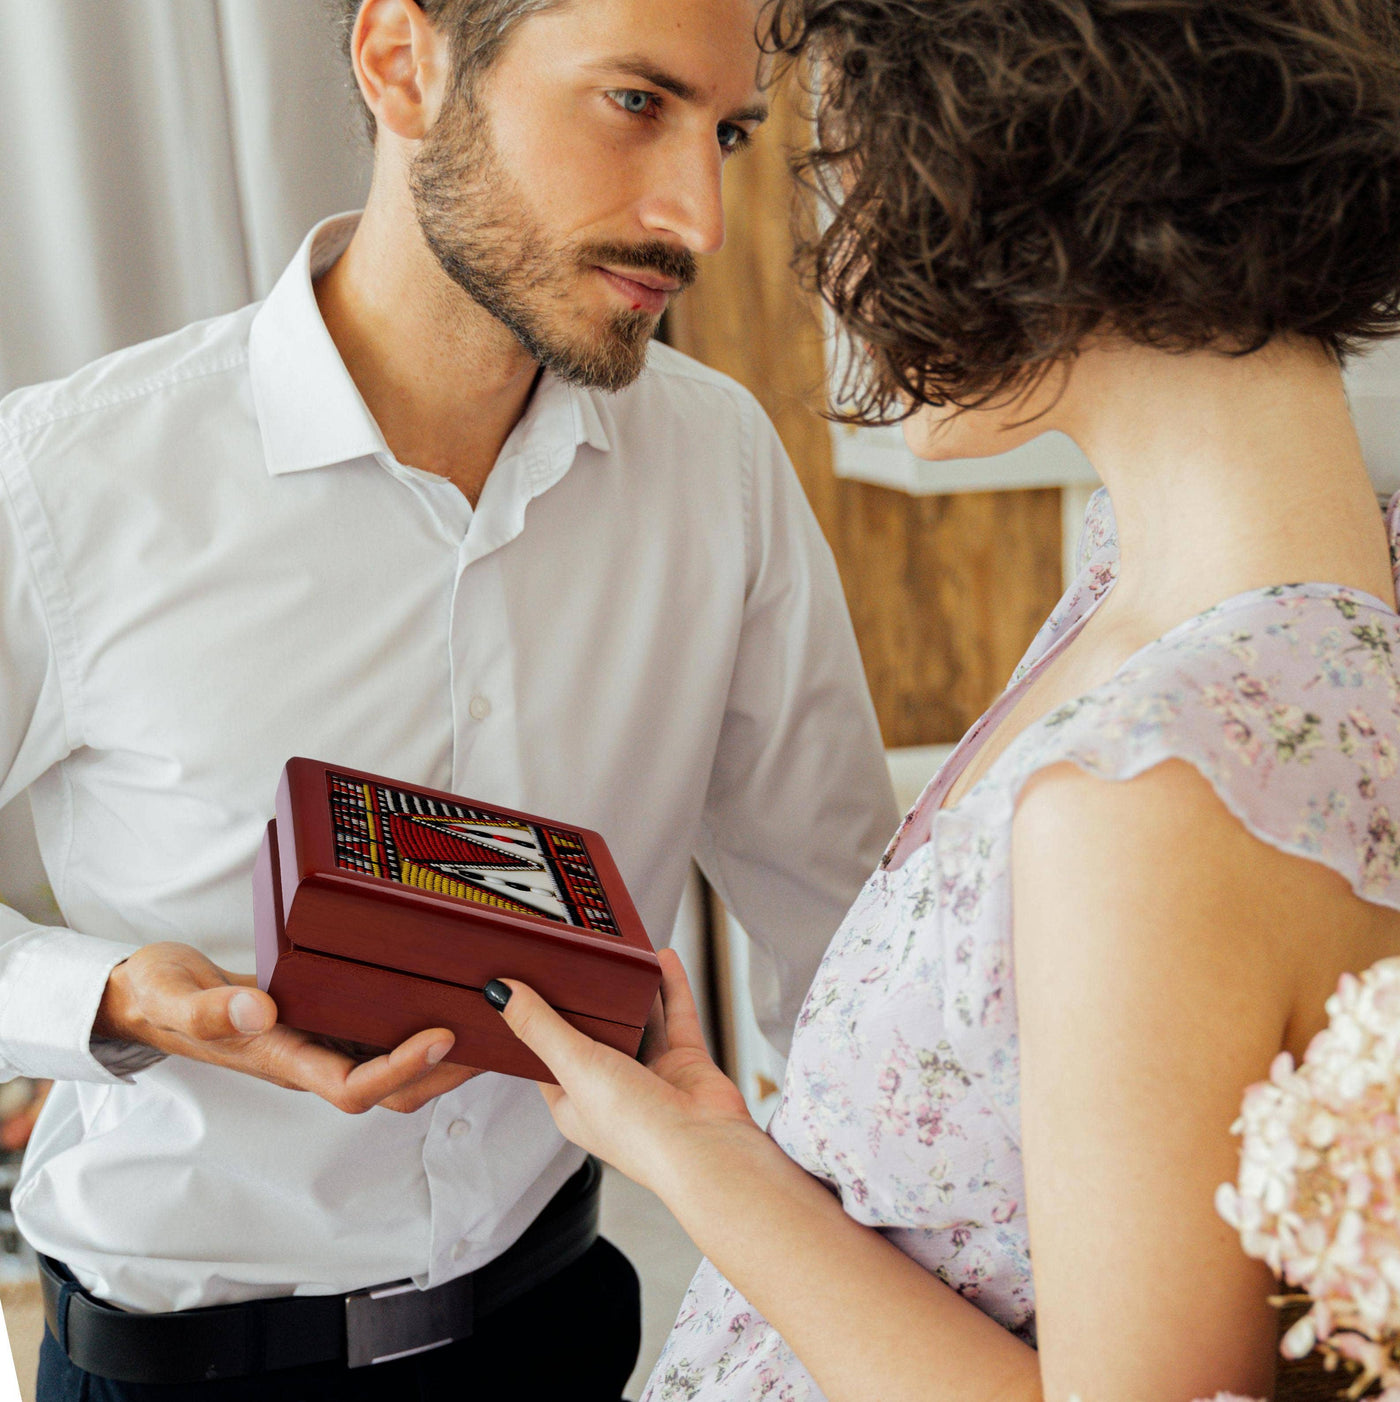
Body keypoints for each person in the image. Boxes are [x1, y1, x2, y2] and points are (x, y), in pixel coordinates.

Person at [488, 1, 1400, 1399]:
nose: (841, 263)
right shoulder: (1208, 599)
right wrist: (714, 1136)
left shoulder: (1160, 784)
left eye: (860, 178)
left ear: (1039, 184)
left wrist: (685, 1159)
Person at [1, 0, 899, 1398]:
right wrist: (110, 999)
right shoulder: (67, 480)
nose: (699, 218)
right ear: (402, 64)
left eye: (725, 133)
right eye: (634, 103)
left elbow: (842, 933)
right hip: (179, 1368)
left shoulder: (718, 461)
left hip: (567, 1326)